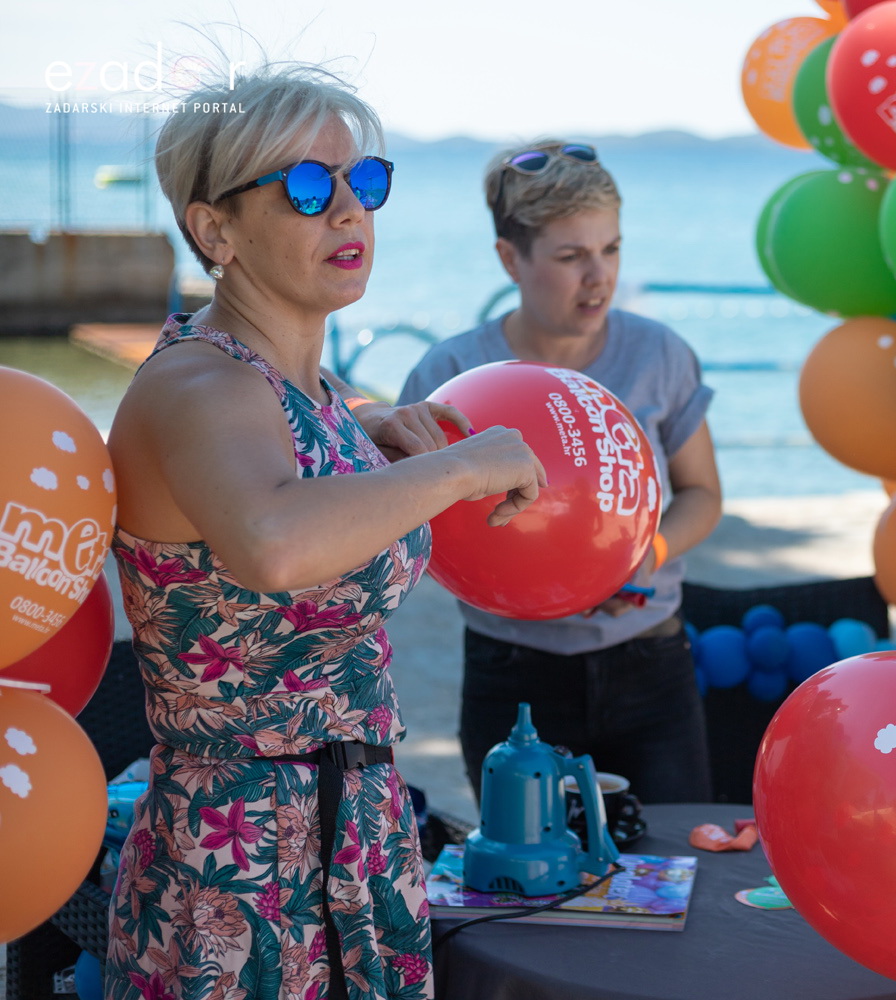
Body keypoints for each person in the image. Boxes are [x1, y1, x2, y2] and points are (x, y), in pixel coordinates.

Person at [103, 64, 545, 1000]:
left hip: (352, 840)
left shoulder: (301, 390)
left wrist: (373, 431)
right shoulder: (198, 385)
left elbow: (282, 473)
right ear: (214, 228)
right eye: (307, 188)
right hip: (240, 870)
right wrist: (457, 468)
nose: (348, 211)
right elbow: (272, 541)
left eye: (364, 181)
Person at [398, 140, 722, 808]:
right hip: (511, 673)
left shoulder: (659, 354)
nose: (598, 278)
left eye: (611, 250)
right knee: (523, 893)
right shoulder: (447, 379)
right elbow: (406, 525)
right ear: (510, 259)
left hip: (650, 663)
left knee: (671, 872)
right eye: (572, 256)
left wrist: (643, 555)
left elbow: (703, 495)